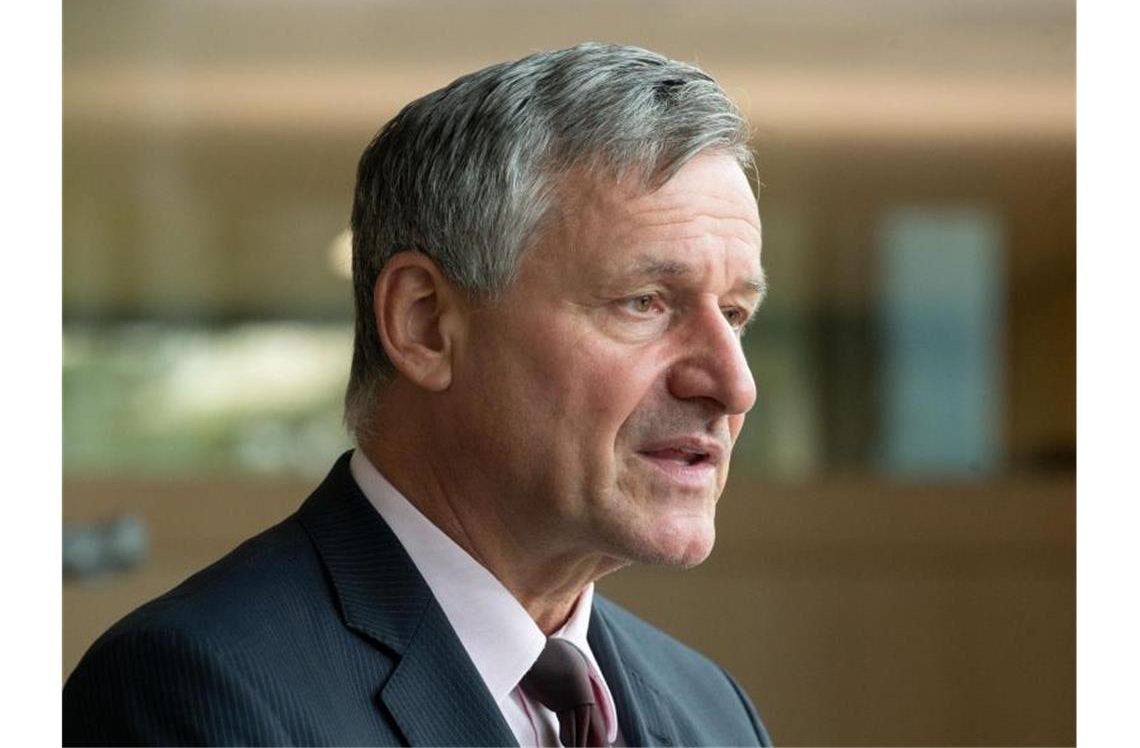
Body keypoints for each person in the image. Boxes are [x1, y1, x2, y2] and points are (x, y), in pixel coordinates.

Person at [63, 42, 772, 747]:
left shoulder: (714, 712)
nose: (732, 383)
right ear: (424, 324)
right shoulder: (191, 690)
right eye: (643, 302)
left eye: (736, 315)